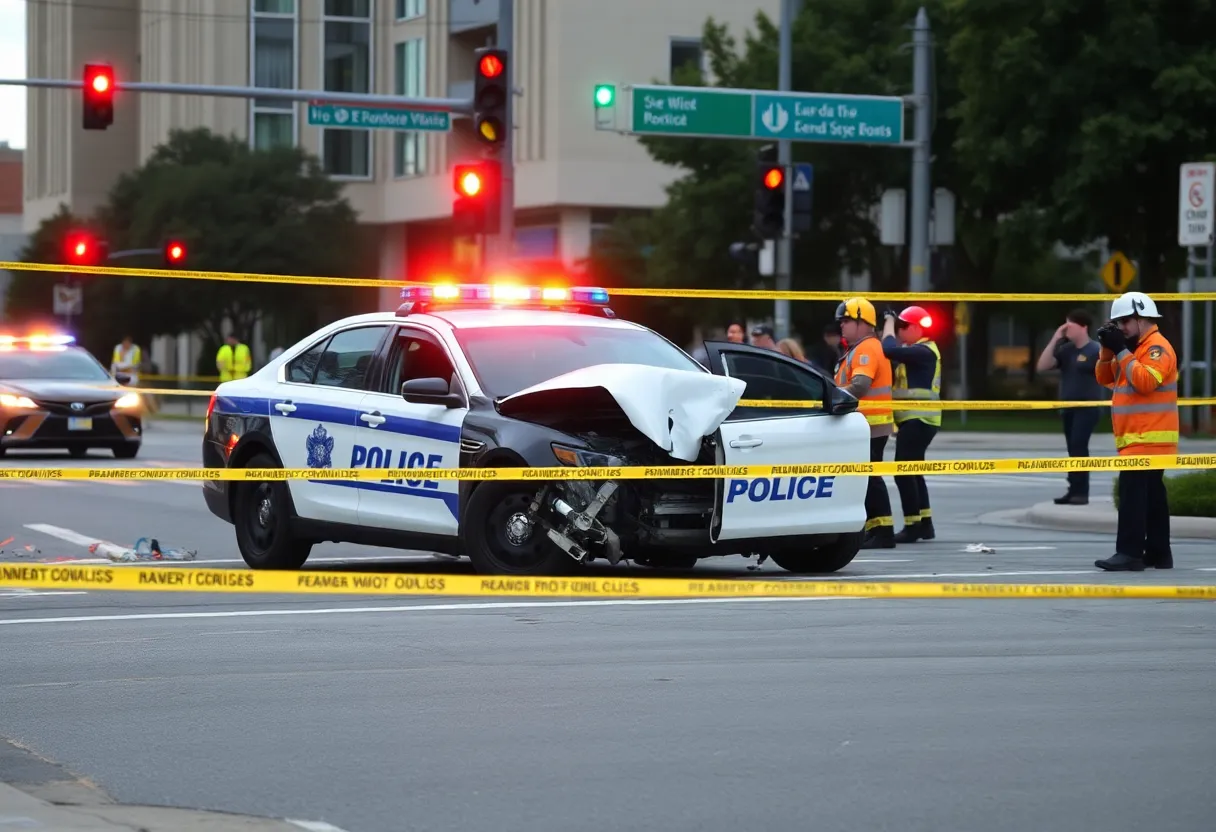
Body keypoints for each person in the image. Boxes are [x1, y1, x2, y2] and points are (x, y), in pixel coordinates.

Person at [1093, 291, 1178, 572]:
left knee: (1132, 496)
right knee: (1152, 496)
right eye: (1117, 323)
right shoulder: (1132, 348)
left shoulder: (1157, 348)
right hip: (1140, 439)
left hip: (1149, 439)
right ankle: (1158, 553)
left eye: (1126, 321)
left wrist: (1120, 350)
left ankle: (1129, 553)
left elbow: (1144, 382)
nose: (1122, 328)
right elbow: (1105, 378)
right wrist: (1108, 349)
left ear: (1143, 319)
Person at [833, 297, 896, 549]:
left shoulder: (867, 348)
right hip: (865, 424)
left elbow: (860, 386)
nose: (842, 325)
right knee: (866, 477)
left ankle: (883, 531)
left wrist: (832, 398)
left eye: (847, 320)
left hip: (870, 424)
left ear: (863, 322)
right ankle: (875, 528)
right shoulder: (859, 348)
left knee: (870, 477)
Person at [881, 305, 942, 543]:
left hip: (919, 418)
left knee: (903, 472)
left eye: (902, 327)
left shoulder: (923, 351)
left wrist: (888, 321)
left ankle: (912, 525)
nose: (899, 331)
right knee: (913, 471)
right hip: (917, 419)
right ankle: (925, 524)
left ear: (916, 328)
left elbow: (888, 349)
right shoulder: (918, 351)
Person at [1035, 308, 1103, 505]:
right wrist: (1055, 338)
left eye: (1069, 326)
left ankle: (1081, 492)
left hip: (1087, 408)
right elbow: (1042, 366)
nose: (1066, 330)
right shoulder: (1067, 350)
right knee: (1072, 450)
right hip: (1068, 408)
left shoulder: (1095, 350)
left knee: (1079, 446)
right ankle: (1073, 489)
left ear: (1083, 327)